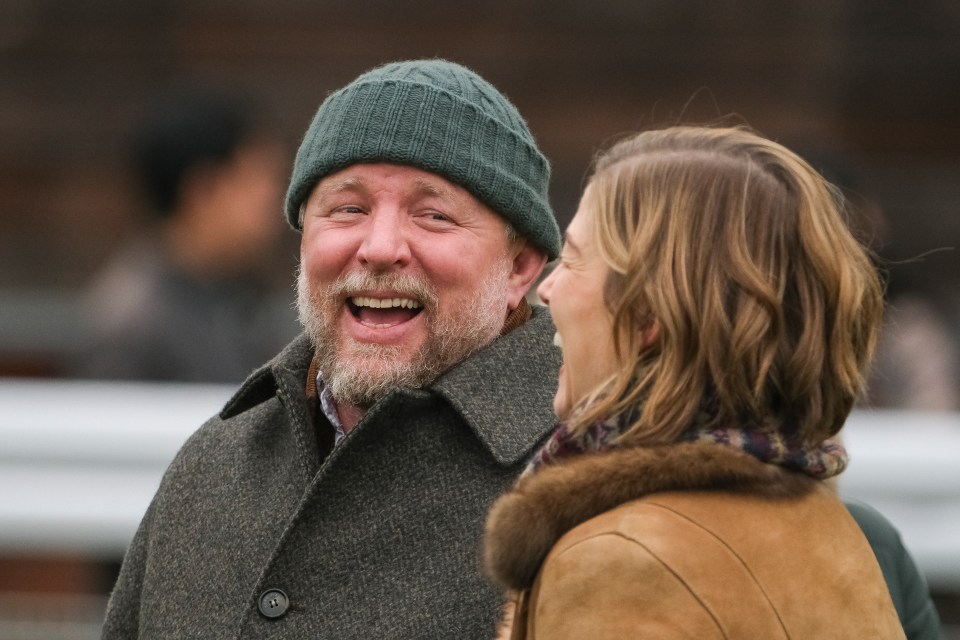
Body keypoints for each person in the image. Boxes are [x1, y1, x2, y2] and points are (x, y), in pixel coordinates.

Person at [100, 59, 563, 638]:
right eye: (348, 209)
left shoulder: (578, 481)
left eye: (434, 215)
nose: (380, 247)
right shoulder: (213, 468)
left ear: (520, 267)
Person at [484, 125, 914, 638]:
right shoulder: (830, 528)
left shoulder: (624, 561)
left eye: (573, 258)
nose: (546, 288)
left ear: (648, 311)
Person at [72, 86, 296, 382]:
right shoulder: (132, 324)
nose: (275, 198)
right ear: (202, 190)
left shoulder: (233, 291)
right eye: (259, 179)